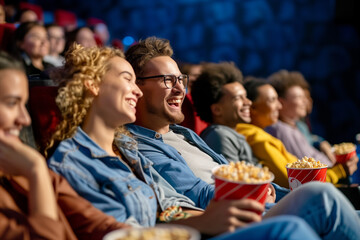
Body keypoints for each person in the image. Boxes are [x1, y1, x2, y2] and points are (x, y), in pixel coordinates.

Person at [45, 43, 321, 239]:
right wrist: (205, 220)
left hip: (211, 222)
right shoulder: (74, 161)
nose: (136, 92)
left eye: (181, 79)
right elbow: (115, 230)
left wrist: (207, 217)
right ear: (94, 85)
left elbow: (170, 205)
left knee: (319, 200)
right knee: (307, 212)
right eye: (128, 80)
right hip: (205, 227)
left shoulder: (129, 150)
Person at [125, 36, 360, 239]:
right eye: (168, 80)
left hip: (263, 204)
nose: (180, 90)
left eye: (181, 80)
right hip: (234, 218)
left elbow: (248, 177)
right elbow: (192, 198)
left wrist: (274, 190)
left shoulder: (185, 135)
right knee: (321, 196)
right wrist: (252, 189)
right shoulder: (140, 146)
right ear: (136, 88)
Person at [0, 50, 130, 239]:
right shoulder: (32, 166)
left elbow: (95, 223)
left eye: (24, 105)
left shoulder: (22, 167)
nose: (25, 119)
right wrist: (37, 172)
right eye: (12, 103)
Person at [236, 78, 354, 187]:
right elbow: (295, 180)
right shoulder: (260, 138)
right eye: (273, 100)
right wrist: (340, 171)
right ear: (252, 108)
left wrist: (322, 143)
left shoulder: (267, 134)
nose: (279, 105)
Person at [266, 70, 358, 182]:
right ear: (281, 103)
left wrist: (321, 143)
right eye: (298, 97)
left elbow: (312, 141)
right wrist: (340, 169)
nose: (306, 101)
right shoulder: (282, 130)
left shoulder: (296, 126)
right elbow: (308, 168)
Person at [190, 62, 258, 165]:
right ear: (217, 110)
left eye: (245, 96)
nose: (248, 102)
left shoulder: (228, 134)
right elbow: (234, 178)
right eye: (238, 98)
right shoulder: (220, 136)